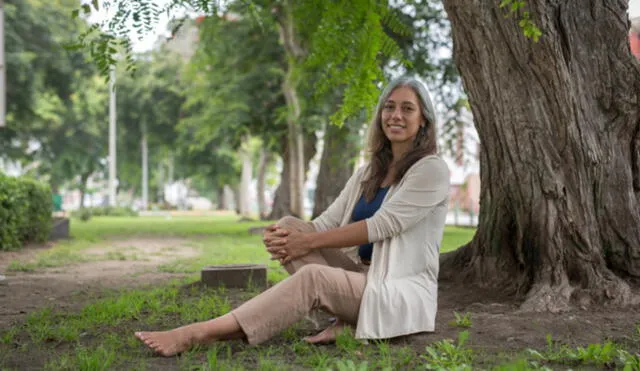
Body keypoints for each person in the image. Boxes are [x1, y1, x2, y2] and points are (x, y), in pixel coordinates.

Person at [135, 76, 450, 356]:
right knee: (288, 227)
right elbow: (325, 223)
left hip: (396, 290)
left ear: (424, 120)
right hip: (361, 277)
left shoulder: (431, 169)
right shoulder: (369, 171)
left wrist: (307, 242)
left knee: (312, 277)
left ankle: (196, 333)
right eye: (389, 107)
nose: (395, 115)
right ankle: (347, 320)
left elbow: (382, 226)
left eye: (407, 109)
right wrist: (285, 235)